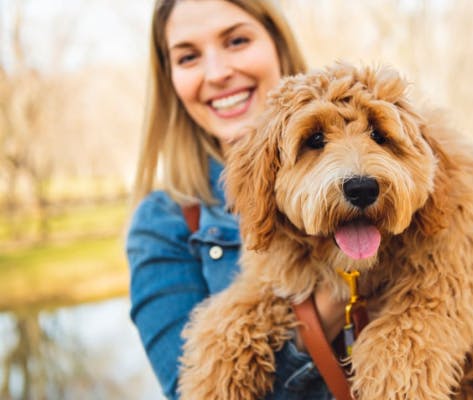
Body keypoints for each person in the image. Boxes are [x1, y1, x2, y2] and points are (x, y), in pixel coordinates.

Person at [125, 1, 345, 398]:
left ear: (277, 43)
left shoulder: (370, 168)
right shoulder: (163, 224)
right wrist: (326, 310)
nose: (218, 72)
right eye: (188, 56)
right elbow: (189, 392)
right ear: (171, 77)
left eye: (237, 40)